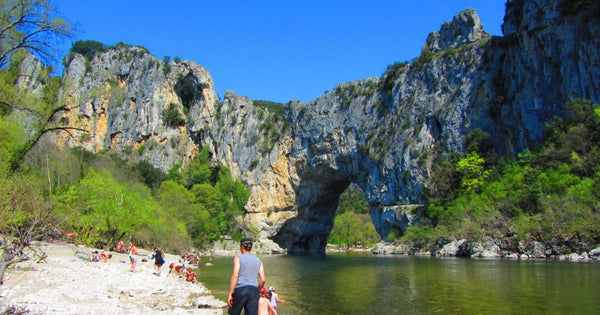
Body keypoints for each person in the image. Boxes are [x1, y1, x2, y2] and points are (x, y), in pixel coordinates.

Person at [227, 237, 266, 315]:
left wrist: (230, 293)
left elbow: (235, 275)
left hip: (241, 289)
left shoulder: (238, 258)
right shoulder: (258, 260)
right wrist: (257, 290)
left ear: (241, 247)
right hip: (254, 291)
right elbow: (263, 280)